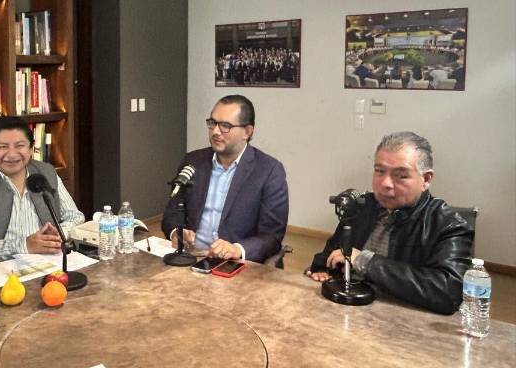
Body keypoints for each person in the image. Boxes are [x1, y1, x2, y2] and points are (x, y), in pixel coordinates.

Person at [306, 132, 473, 314]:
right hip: (345, 312)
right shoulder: (361, 207)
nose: (385, 183)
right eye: (379, 171)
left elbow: (448, 292)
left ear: (426, 179)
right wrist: (321, 270)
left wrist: (366, 262)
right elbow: (328, 257)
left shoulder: (449, 225)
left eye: (400, 175)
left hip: (402, 320)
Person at [161, 95, 289, 263]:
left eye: (225, 126)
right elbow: (172, 211)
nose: (215, 131)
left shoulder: (269, 171)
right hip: (190, 257)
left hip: (233, 264)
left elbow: (272, 236)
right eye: (212, 123)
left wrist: (238, 249)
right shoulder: (193, 161)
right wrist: (176, 232)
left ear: (247, 132)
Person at [0, 117, 85, 266]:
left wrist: (58, 235)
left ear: (31, 148)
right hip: (1, 269)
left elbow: (75, 216)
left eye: (20, 146)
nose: (12, 154)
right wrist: (24, 246)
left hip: (49, 263)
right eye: (3, 147)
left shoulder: (46, 172)